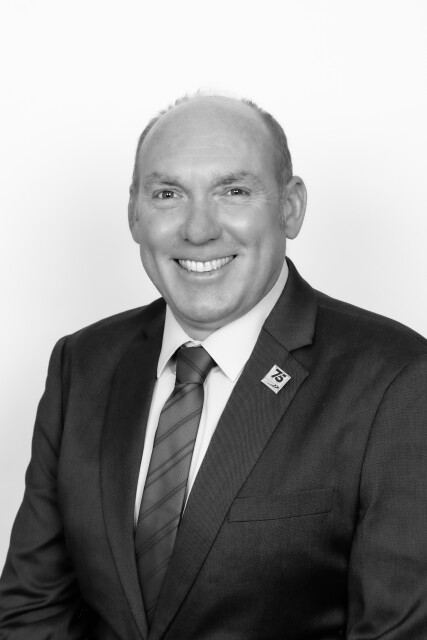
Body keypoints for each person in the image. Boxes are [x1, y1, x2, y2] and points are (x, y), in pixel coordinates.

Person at [0, 94, 426, 640]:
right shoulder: (82, 364)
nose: (198, 230)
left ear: (291, 207)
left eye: (234, 191)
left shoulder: (397, 381)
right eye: (167, 194)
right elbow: (34, 611)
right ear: (134, 213)